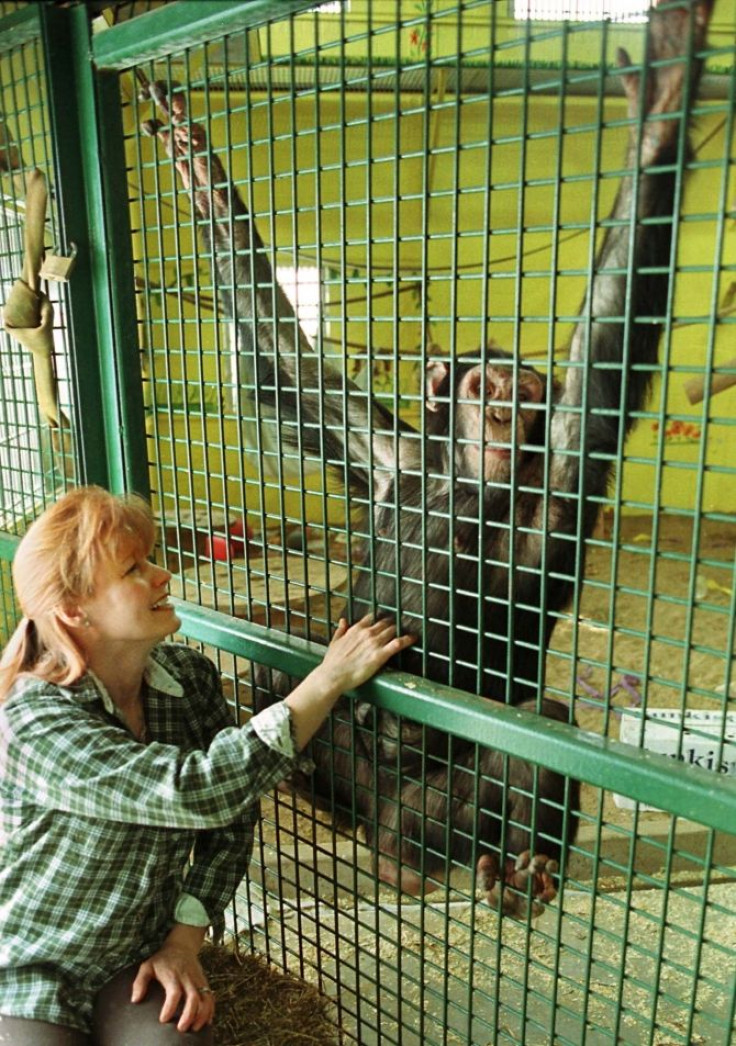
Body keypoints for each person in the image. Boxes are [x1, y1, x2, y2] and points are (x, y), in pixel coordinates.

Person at [0, 485, 414, 1046]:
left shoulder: (187, 682)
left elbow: (233, 817)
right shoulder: (34, 718)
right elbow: (192, 793)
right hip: (28, 963)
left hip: (132, 956)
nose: (162, 576)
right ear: (74, 610)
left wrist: (182, 943)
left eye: (150, 559)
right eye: (133, 570)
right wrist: (326, 680)